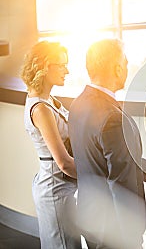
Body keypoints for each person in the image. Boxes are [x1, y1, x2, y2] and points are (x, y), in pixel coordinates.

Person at [68, 38, 146, 249]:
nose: (126, 68)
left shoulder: (78, 104)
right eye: (125, 63)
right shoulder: (112, 117)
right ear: (116, 69)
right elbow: (119, 181)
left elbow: (109, 158)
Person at [21, 41, 80, 249]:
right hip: (56, 189)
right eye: (62, 65)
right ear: (45, 67)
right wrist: (101, 174)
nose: (67, 70)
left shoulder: (49, 99)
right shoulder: (41, 109)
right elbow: (64, 163)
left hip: (60, 185)